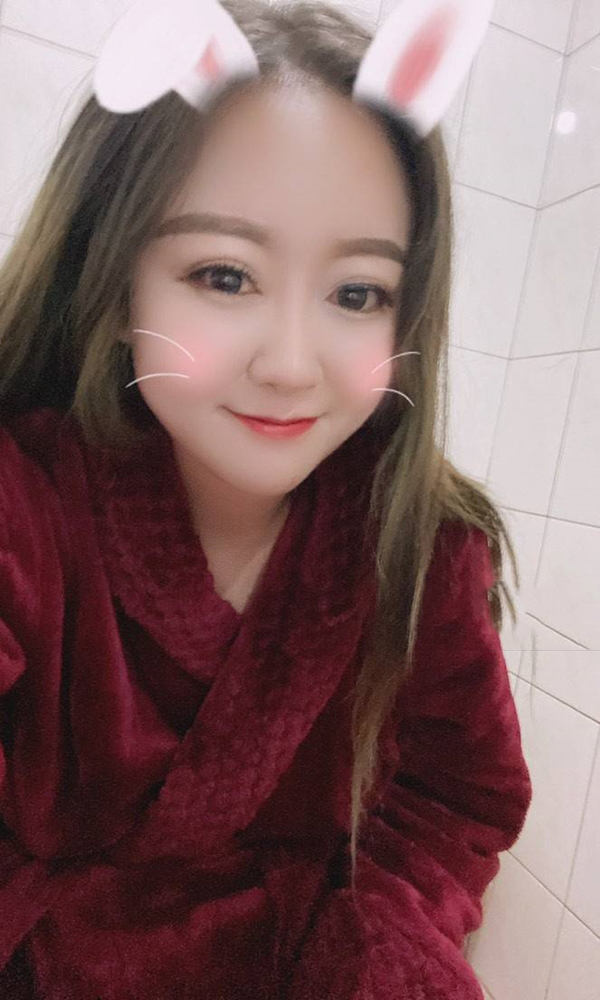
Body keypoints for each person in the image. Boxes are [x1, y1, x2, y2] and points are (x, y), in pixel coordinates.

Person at [0, 0, 532, 997]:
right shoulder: (23, 503)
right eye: (224, 275)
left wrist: (380, 948)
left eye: (357, 293)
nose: (291, 364)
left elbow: (458, 796)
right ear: (116, 285)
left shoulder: (425, 550)